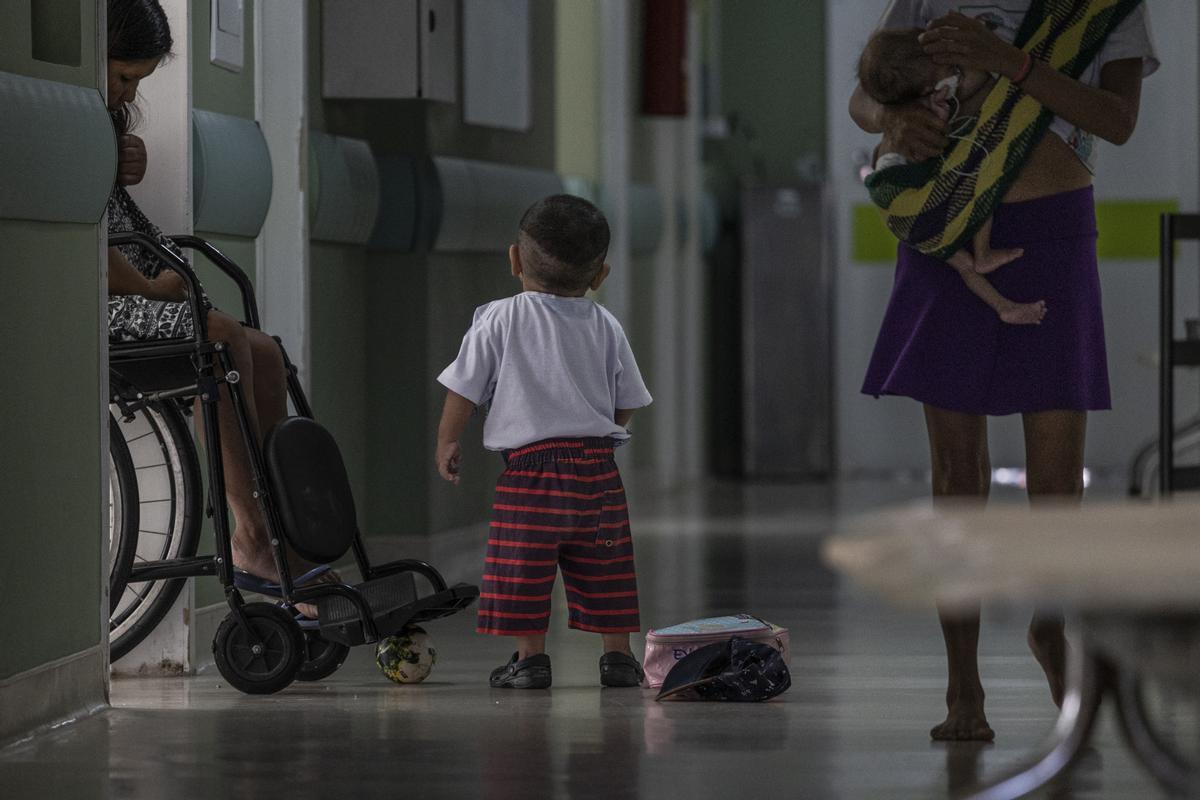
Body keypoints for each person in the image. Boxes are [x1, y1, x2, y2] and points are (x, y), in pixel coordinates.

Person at [853, 2, 1157, 741]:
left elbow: (1117, 119)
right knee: (957, 473)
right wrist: (890, 124)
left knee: (1057, 483)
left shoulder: (1106, 6)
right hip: (945, 219)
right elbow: (867, 94)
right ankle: (963, 684)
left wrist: (1011, 62)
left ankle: (1050, 630)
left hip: (1053, 224)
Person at [105, 0, 326, 610]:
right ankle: (251, 535)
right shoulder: (75, 119)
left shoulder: (104, 119)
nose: (126, 94)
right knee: (222, 340)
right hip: (104, 303)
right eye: (122, 78)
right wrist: (150, 289)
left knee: (265, 354)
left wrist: (123, 155)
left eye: (138, 83)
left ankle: (279, 528)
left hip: (140, 284)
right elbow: (91, 248)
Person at [434, 195, 652, 689]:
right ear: (601, 275)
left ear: (514, 259)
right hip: (597, 470)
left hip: (529, 473)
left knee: (523, 566)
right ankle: (617, 657)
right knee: (607, 563)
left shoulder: (499, 318)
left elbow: (463, 388)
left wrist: (447, 440)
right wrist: (605, 426)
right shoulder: (606, 324)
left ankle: (529, 660)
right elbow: (630, 397)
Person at [859, 28, 1045, 325]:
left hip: (903, 218)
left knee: (965, 266)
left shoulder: (906, 113)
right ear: (927, 84)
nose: (956, 76)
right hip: (904, 195)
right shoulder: (914, 119)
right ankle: (985, 256)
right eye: (950, 69)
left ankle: (1003, 306)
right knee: (978, 184)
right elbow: (932, 149)